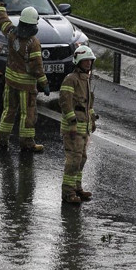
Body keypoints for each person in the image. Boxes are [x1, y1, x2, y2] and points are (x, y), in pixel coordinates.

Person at [0, 0, 50, 152]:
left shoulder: (12, 33)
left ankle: (2, 140)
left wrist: (0, 5)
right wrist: (44, 83)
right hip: (26, 87)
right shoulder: (33, 43)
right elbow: (36, 67)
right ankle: (27, 143)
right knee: (28, 114)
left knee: (9, 111)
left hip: (10, 82)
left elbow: (2, 21)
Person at [59, 46, 98, 204]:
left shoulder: (86, 80)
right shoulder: (71, 79)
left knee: (81, 158)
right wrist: (72, 123)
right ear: (78, 62)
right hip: (73, 128)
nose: (88, 63)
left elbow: (88, 104)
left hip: (84, 127)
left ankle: (76, 187)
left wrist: (92, 120)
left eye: (90, 60)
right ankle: (68, 192)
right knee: (73, 160)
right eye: (85, 60)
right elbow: (65, 102)